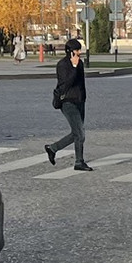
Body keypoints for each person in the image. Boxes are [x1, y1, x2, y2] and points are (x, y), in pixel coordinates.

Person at [45, 37, 92, 171]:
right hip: (67, 101)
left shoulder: (80, 63)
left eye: (79, 50)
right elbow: (65, 84)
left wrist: (83, 98)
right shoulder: (62, 65)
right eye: (76, 50)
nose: (79, 53)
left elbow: (81, 84)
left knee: (77, 132)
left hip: (79, 101)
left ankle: (53, 148)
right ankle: (79, 162)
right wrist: (74, 67)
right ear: (70, 52)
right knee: (80, 133)